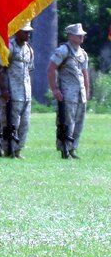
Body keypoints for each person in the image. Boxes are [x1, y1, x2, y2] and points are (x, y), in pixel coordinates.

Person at [47, 23, 89, 160]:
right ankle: (64, 149)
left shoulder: (83, 53)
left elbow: (85, 73)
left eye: (82, 34)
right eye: (78, 34)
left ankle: (72, 149)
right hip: (67, 93)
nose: (81, 36)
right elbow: (51, 69)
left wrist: (87, 91)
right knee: (66, 123)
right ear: (70, 36)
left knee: (78, 123)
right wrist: (54, 89)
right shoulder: (63, 50)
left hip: (80, 94)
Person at [0, 23, 34, 158]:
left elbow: (29, 71)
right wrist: (3, 89)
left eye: (29, 32)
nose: (27, 35)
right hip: (13, 93)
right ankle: (8, 150)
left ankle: (18, 150)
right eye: (25, 32)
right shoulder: (9, 47)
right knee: (10, 124)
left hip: (26, 94)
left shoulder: (29, 49)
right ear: (17, 32)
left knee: (24, 124)